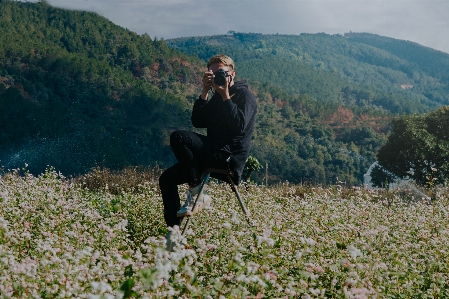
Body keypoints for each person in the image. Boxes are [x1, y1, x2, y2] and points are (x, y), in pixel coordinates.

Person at [159, 54, 257, 229]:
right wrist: (204, 91)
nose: (216, 77)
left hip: (229, 157)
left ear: (232, 74)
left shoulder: (245, 96)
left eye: (221, 73)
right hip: (213, 152)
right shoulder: (216, 97)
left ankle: (196, 190)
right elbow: (198, 121)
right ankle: (173, 232)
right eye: (211, 74)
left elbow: (238, 127)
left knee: (179, 137)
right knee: (166, 179)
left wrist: (226, 95)